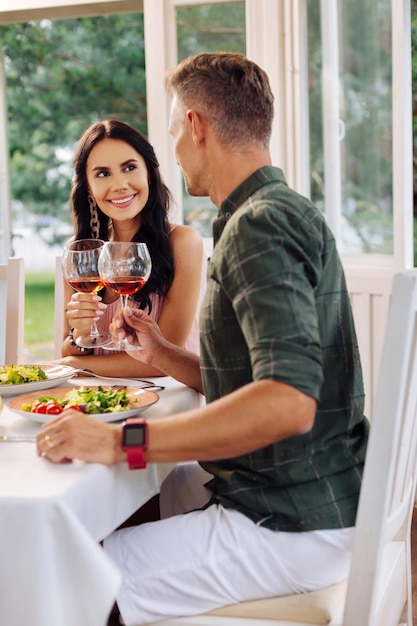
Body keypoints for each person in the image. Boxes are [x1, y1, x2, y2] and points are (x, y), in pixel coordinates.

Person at [37, 52, 369, 626]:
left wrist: (121, 443)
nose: (174, 152)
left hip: (288, 519)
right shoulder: (280, 210)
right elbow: (254, 378)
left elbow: (287, 401)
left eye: (173, 132)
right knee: (140, 501)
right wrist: (162, 355)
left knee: (65, 576)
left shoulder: (257, 226)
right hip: (303, 492)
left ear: (196, 126)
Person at [57, 119, 203, 378]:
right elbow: (70, 349)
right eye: (103, 173)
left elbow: (166, 358)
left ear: (148, 172)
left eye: (129, 168)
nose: (119, 184)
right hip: (102, 399)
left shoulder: (182, 242)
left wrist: (73, 366)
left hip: (169, 399)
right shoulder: (81, 252)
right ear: (88, 187)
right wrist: (80, 333)